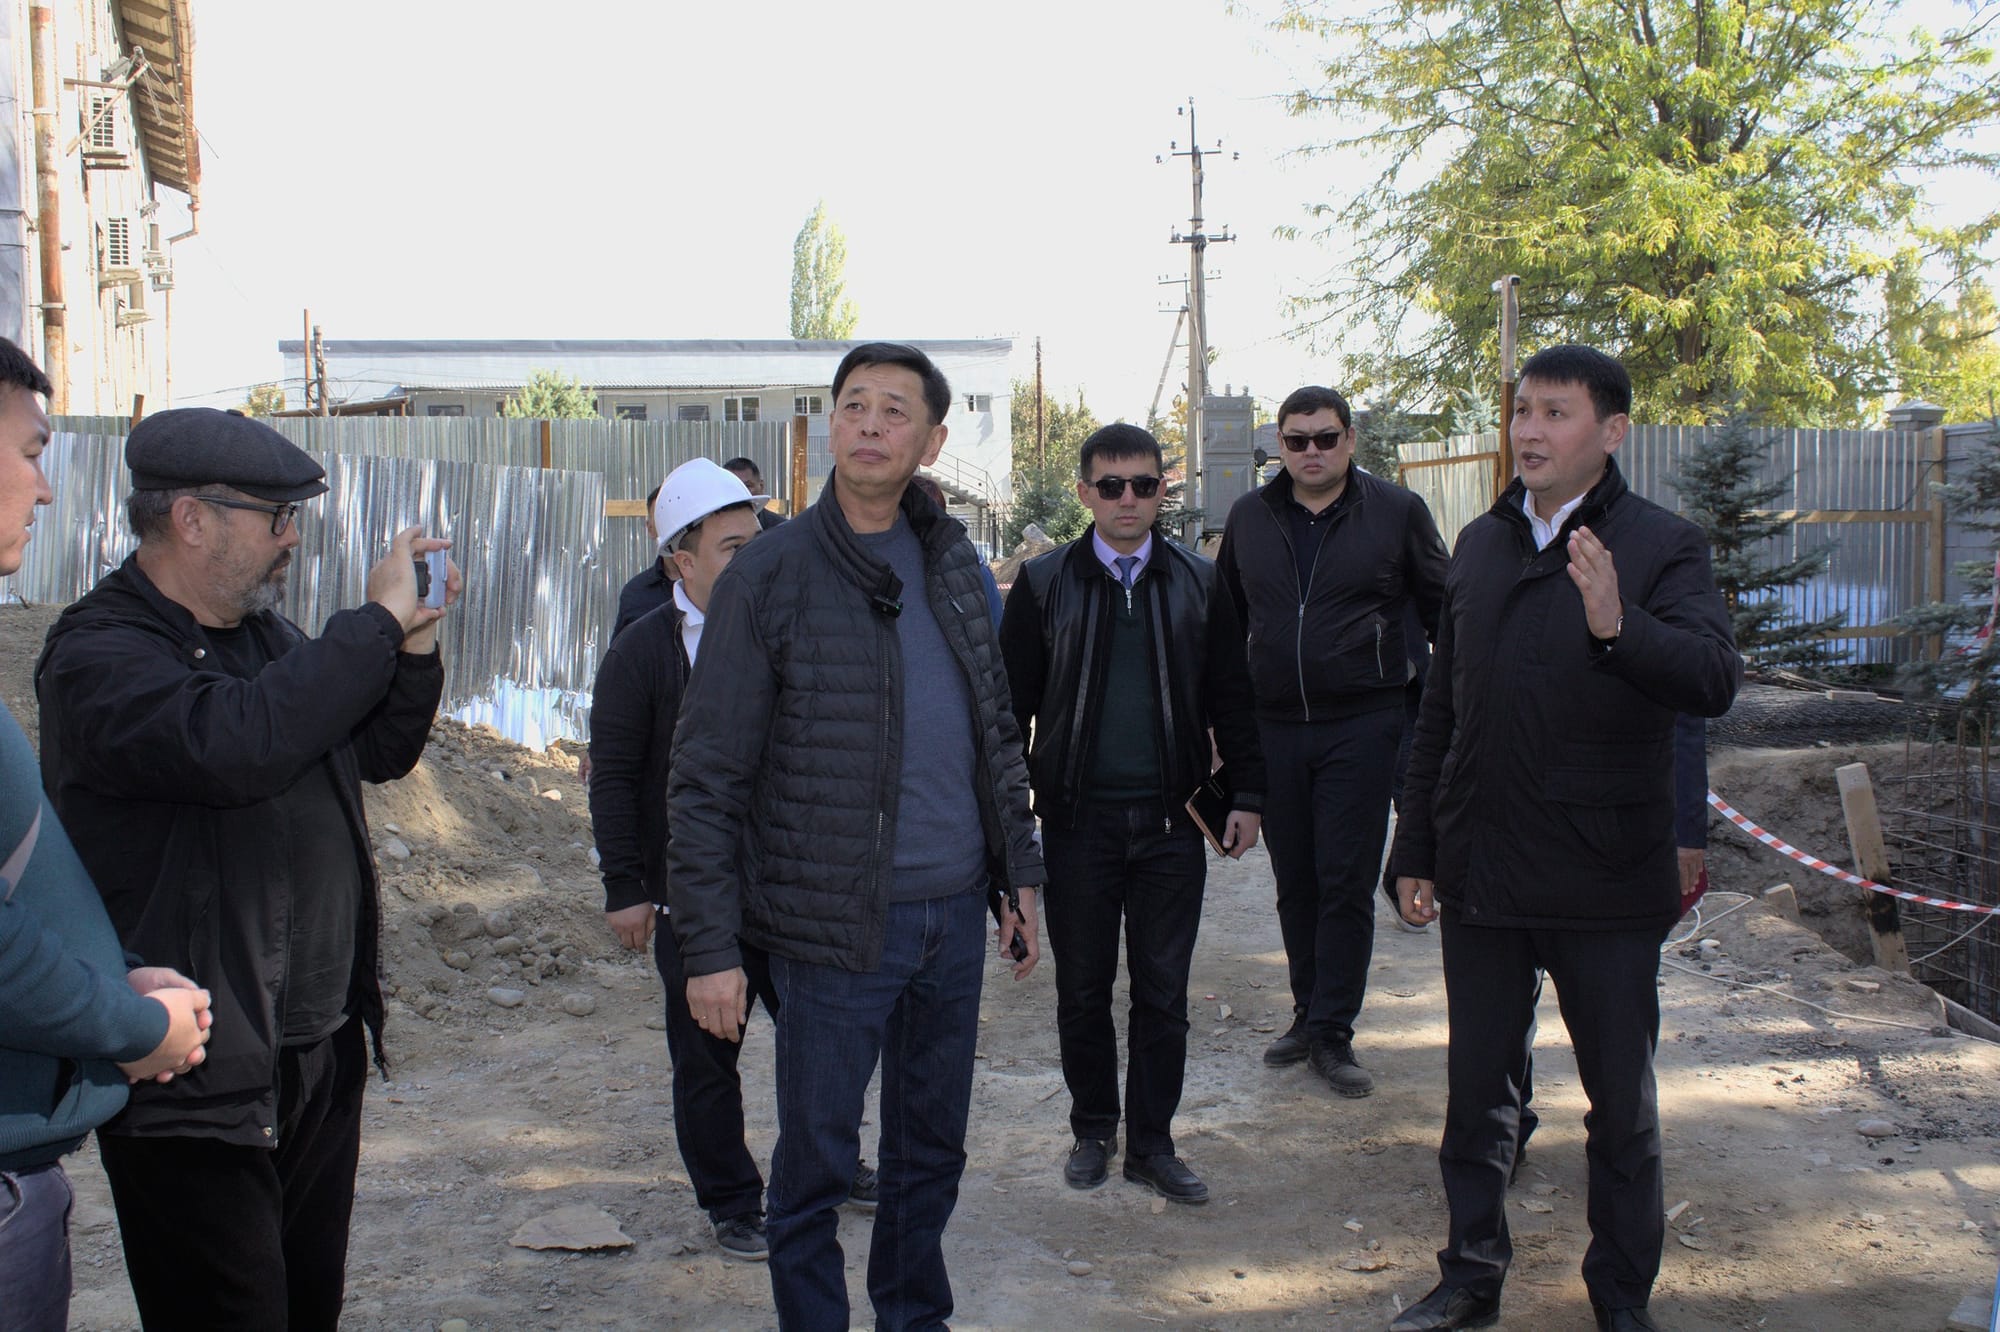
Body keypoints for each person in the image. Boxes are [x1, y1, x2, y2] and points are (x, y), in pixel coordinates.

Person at [35, 407, 457, 1331]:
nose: (291, 538)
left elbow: (377, 750)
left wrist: (413, 639)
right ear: (193, 519)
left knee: (306, 1307)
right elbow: (238, 745)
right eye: (276, 518)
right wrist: (372, 623)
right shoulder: (100, 653)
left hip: (312, 1050)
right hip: (192, 1074)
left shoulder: (265, 639)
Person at [668, 342, 1042, 1331]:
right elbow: (705, 777)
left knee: (930, 1155)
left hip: (950, 919)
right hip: (831, 930)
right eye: (854, 405)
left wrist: (1019, 873)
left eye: (894, 410)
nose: (871, 424)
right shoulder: (771, 574)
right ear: (830, 425)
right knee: (816, 1167)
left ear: (932, 441)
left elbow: (995, 729)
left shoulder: (955, 564)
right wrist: (708, 948)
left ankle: (913, 1318)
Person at [1386, 345, 1740, 1332]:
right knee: (1477, 1096)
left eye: (1555, 413)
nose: (1529, 432)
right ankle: (1469, 1276)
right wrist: (1414, 846)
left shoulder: (1662, 545)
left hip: (1604, 876)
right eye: (1521, 412)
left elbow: (1710, 680)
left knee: (1619, 1107)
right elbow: (1442, 708)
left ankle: (1620, 1297)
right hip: (1485, 872)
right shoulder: (1481, 543)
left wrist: (1619, 623)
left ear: (1611, 431)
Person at [587, 457, 874, 1261]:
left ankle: (831, 1164)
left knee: (824, 1045)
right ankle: (732, 1202)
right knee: (708, 1061)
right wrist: (624, 886)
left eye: (760, 542)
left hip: (792, 890)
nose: (758, 561)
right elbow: (614, 776)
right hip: (695, 898)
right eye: (734, 549)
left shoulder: (796, 634)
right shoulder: (643, 652)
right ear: (682, 563)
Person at [0, 338, 213, 1332]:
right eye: (30, 451)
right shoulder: (101, 645)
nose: (45, 488)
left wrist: (113, 975)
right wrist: (129, 1027)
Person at [999, 423, 1264, 1204]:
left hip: (1171, 825)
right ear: (1085, 492)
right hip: (1077, 823)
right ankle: (1093, 1130)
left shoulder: (1200, 583)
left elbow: (1233, 697)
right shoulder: (1042, 585)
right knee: (1082, 990)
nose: (1127, 499)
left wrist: (1248, 795)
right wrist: (1010, 825)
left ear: (1161, 493)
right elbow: (1009, 713)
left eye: (1143, 485)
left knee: (1162, 992)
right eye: (1111, 485)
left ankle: (1153, 1144)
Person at [1216, 385, 1448, 1095]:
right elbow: (1226, 626)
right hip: (1276, 725)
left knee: (1345, 881)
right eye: (1296, 440)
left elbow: (1445, 612)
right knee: (1297, 882)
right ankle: (1306, 1010)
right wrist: (1222, 730)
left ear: (1350, 440)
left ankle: (1333, 1033)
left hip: (1363, 723)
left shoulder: (1398, 512)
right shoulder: (1251, 516)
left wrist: (1439, 709)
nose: (1311, 451)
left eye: (1325, 438)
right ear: (1278, 447)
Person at [722, 456, 787, 531]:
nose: (740, 493)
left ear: (761, 486)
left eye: (747, 486)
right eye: (732, 487)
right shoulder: (713, 526)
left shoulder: (781, 529)